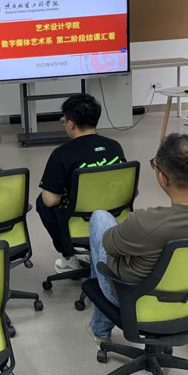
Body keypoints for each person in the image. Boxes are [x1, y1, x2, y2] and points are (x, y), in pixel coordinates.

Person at [87, 133, 188, 343]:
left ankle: (100, 330)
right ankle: (100, 328)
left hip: (137, 301)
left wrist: (135, 250)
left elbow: (108, 245)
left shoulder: (144, 223)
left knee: (100, 218)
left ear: (162, 178)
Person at [37, 93, 125, 274]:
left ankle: (69, 256)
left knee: (42, 201)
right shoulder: (115, 146)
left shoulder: (61, 154)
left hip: (81, 219)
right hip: (113, 214)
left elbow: (50, 201)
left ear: (71, 124)